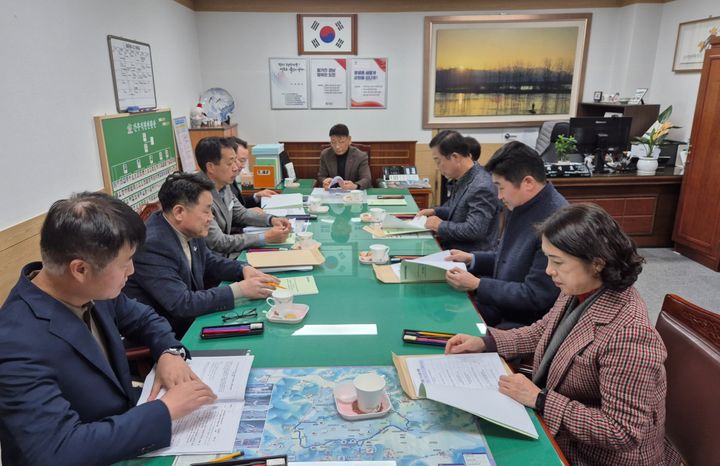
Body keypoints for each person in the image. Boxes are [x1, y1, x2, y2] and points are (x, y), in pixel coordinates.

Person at [445, 203, 671, 466]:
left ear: (597, 263)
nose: (548, 270)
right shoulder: (579, 288)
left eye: (558, 262)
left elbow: (621, 431)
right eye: (548, 258)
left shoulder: (629, 334)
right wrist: (487, 342)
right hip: (564, 429)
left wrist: (539, 400)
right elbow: (544, 330)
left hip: (596, 456)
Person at [0, 192, 216, 466]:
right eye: (125, 262)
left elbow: (145, 319)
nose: (132, 270)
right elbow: (58, 451)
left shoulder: (91, 290)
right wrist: (165, 410)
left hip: (123, 429)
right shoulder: (14, 342)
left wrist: (169, 352)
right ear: (80, 269)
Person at [123, 172, 280, 337]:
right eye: (206, 211)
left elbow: (209, 261)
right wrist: (239, 290)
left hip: (195, 319)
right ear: (179, 212)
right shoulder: (153, 244)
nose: (211, 218)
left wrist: (242, 269)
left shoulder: (189, 228)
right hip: (171, 333)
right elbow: (181, 303)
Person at [445, 141, 568, 328]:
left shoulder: (556, 222)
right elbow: (511, 258)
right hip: (500, 304)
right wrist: (472, 258)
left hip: (522, 323)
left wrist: (478, 284)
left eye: (501, 187)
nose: (499, 196)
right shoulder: (522, 203)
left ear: (528, 183)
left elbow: (535, 296)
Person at [195, 137, 291, 259]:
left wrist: (271, 220)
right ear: (210, 167)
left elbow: (241, 214)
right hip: (214, 263)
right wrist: (265, 237)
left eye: (236, 161)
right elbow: (218, 241)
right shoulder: (198, 194)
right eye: (230, 163)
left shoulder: (224, 184)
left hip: (229, 254)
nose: (235, 168)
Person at [417, 130, 500, 252]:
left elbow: (474, 230)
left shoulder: (481, 186)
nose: (437, 166)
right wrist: (434, 211)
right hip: (453, 248)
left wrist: (440, 225)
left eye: (438, 160)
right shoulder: (464, 177)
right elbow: (457, 210)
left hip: (468, 257)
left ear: (455, 157)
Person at [227, 136, 276, 212]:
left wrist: (256, 196)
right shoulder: (222, 181)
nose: (243, 166)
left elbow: (239, 202)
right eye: (241, 160)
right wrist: (248, 212)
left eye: (245, 161)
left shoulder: (230, 178)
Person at [318, 123, 372, 190]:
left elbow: (366, 179)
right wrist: (325, 181)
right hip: (332, 192)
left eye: (341, 142)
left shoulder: (360, 156)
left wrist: (355, 186)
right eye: (333, 142)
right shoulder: (325, 154)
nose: (337, 146)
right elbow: (321, 176)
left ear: (349, 140)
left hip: (353, 194)